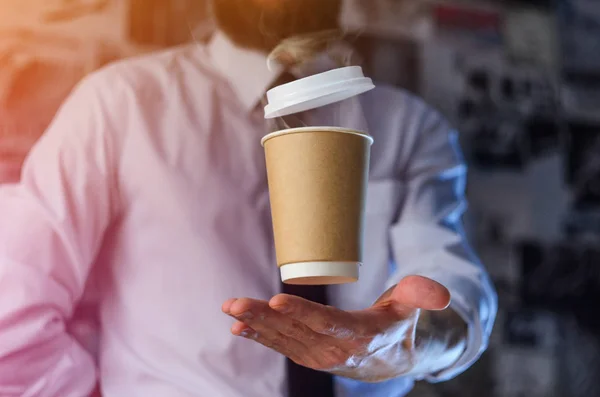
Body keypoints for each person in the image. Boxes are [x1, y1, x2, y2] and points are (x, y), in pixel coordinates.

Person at [0, 0, 497, 396]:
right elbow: (12, 314)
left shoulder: (408, 128)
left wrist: (412, 342)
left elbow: (452, 294)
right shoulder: (120, 105)